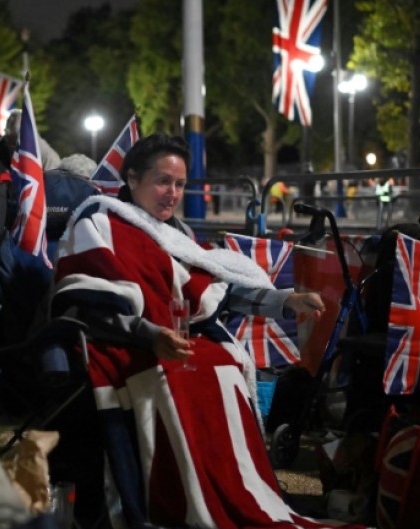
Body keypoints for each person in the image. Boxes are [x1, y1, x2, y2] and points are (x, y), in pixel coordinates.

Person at [50, 134, 352, 529]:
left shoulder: (175, 233)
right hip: (121, 343)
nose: (172, 193)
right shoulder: (99, 222)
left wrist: (284, 300)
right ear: (133, 178)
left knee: (223, 362)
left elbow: (217, 291)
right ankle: (181, 498)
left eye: (179, 184)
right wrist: (149, 335)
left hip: (173, 341)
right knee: (191, 372)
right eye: (162, 181)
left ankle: (228, 489)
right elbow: (85, 303)